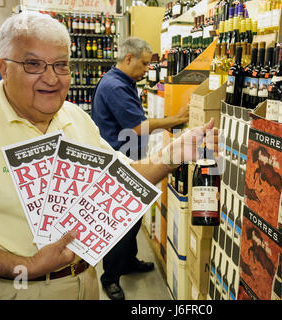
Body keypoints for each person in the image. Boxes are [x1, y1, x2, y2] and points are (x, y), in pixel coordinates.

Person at [0, 12, 217, 300]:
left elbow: (122, 178)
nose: (51, 78)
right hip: (13, 290)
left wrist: (174, 154)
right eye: (33, 64)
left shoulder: (75, 118)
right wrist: (28, 265)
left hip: (84, 283)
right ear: (3, 67)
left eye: (61, 65)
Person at [91, 36, 189, 300]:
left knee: (133, 220)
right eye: (145, 64)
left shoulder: (122, 81)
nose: (148, 69)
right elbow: (136, 127)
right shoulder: (115, 87)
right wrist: (174, 120)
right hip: (120, 163)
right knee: (123, 224)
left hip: (127, 157)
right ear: (128, 58)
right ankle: (109, 277)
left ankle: (130, 261)